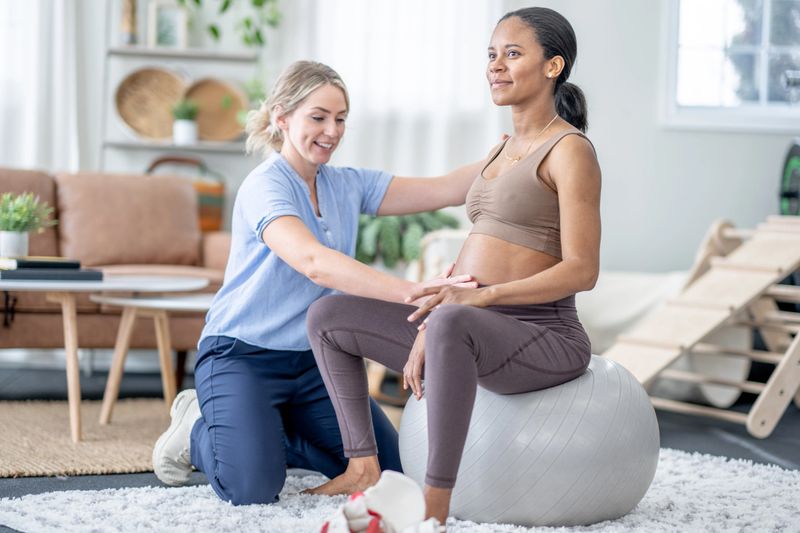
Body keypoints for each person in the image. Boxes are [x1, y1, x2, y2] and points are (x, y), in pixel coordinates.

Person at [306, 6, 601, 526]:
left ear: (553, 66)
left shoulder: (570, 150)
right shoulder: (501, 150)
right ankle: (363, 467)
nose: (496, 65)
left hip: (543, 335)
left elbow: (583, 270)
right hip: (464, 327)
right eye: (491, 55)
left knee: (449, 321)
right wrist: (435, 315)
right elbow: (477, 247)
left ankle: (433, 511)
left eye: (513, 54)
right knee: (329, 318)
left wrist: (474, 302)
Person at [151, 60, 484, 505]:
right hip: (242, 356)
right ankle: (196, 428)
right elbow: (313, 262)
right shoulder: (265, 186)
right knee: (252, 488)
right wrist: (413, 292)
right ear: (282, 118)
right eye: (318, 116)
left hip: (314, 365)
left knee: (390, 472)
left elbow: (445, 188)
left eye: (340, 118)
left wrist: (506, 155)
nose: (332, 130)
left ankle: (263, 431)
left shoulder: (347, 185)